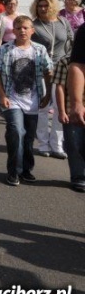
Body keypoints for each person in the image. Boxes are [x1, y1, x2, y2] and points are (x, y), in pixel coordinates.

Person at [0, 16, 53, 186]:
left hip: (34, 101)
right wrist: (2, 95)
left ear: (32, 30)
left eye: (26, 27)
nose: (22, 31)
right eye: (18, 28)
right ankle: (14, 171)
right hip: (12, 100)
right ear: (13, 31)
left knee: (28, 139)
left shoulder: (39, 50)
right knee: (16, 131)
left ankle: (26, 169)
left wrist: (47, 95)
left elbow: (49, 72)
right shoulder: (5, 49)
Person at [30, 0, 73, 159]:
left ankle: (57, 145)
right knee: (43, 107)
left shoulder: (63, 22)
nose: (42, 9)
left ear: (52, 7)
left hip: (61, 70)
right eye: (39, 6)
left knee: (60, 108)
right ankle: (43, 143)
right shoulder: (34, 25)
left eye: (45, 6)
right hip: (42, 70)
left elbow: (71, 42)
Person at [51, 52, 85, 192]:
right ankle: (79, 177)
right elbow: (60, 87)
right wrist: (62, 111)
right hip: (73, 111)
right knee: (74, 144)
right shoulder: (66, 61)